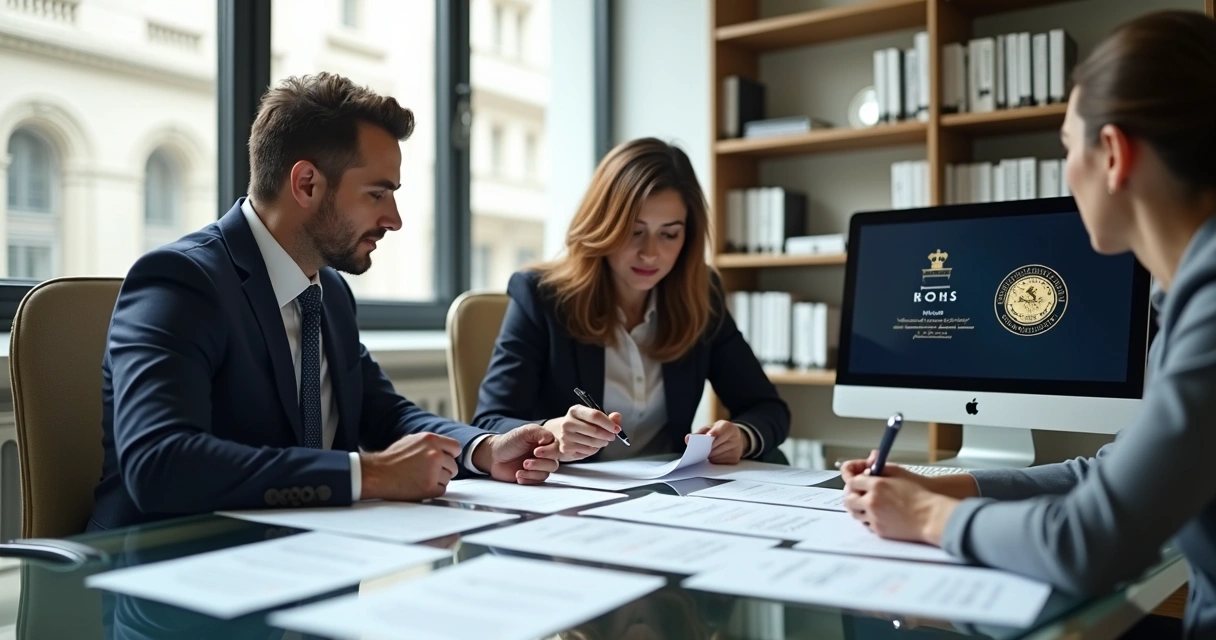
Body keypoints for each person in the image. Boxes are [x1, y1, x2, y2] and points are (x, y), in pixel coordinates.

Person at [839, 10, 1216, 638]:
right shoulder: (1185, 297)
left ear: (1114, 154)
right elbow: (1108, 475)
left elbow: (1091, 542)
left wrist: (929, 518)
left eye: (1067, 147)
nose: (1066, 170)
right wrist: (950, 488)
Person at [89, 72, 558, 531]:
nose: (394, 219)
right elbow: (159, 462)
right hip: (173, 558)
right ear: (307, 184)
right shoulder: (181, 281)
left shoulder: (328, 292)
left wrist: (483, 449)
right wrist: (369, 474)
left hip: (307, 548)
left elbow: (384, 412)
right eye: (377, 194)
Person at [472, 137, 789, 464]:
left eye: (669, 234)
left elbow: (767, 408)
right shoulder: (540, 295)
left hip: (670, 487)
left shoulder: (700, 295)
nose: (650, 253)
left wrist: (742, 436)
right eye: (634, 231)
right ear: (602, 226)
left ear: (688, 236)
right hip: (574, 488)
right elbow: (489, 423)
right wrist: (550, 431)